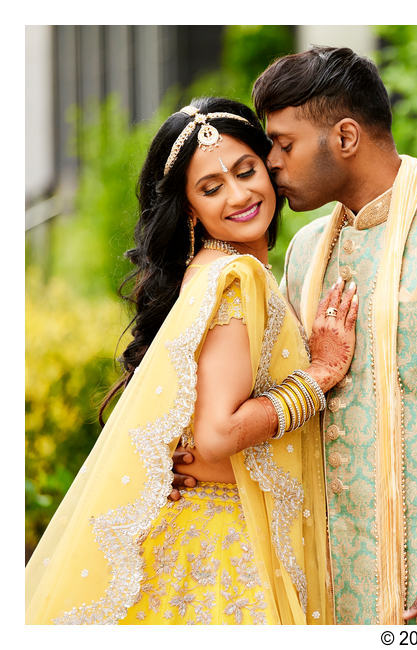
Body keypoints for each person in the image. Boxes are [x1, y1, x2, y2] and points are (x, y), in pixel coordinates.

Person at [173, 46, 417, 625]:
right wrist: (197, 466)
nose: (271, 164)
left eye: (284, 144)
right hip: (328, 575)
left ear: (345, 137)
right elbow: (278, 393)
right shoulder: (308, 249)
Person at [25, 97, 358, 624]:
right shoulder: (235, 279)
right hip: (225, 550)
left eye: (247, 171)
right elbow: (218, 434)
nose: (240, 194)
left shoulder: (210, 272)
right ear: (189, 209)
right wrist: (319, 375)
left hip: (199, 529)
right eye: (211, 188)